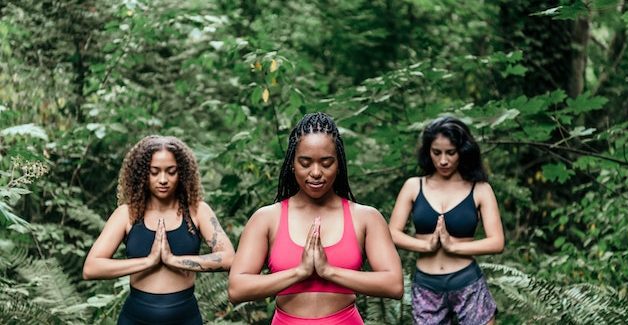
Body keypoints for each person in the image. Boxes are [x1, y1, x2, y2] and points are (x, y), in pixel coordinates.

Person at [228, 112, 403, 324]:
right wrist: (300, 272)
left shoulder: (365, 217)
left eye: (327, 162)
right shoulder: (267, 218)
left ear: (339, 164)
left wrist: (328, 271)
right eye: (305, 162)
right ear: (292, 163)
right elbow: (237, 289)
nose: (316, 172)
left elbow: (394, 285)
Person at [83, 135, 235, 325]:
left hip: (185, 317)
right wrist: (149, 261)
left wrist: (173, 260)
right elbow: (91, 268)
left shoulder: (197, 211)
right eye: (154, 172)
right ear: (142, 173)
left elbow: (228, 258)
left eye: (171, 171)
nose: (163, 179)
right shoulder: (127, 214)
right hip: (135, 318)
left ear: (182, 173)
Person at [388, 116, 504, 325]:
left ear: (463, 151)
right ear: (428, 152)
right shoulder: (414, 186)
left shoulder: (480, 189)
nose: (443, 160)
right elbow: (392, 233)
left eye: (451, 153)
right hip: (426, 286)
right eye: (436, 153)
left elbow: (497, 242)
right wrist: (425, 245)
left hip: (467, 282)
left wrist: (453, 247)